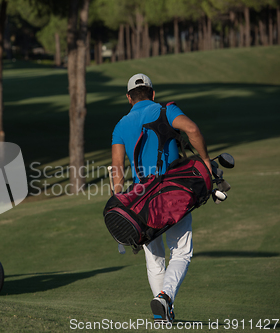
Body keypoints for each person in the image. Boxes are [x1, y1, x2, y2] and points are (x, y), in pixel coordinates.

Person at [110, 73, 212, 322]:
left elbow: (117, 169)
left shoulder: (121, 124)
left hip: (142, 199)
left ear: (128, 98)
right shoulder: (166, 110)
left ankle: (162, 316)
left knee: (154, 259)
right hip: (173, 192)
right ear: (153, 94)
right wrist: (206, 161)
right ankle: (165, 298)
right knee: (181, 252)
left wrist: (121, 199)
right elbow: (191, 129)